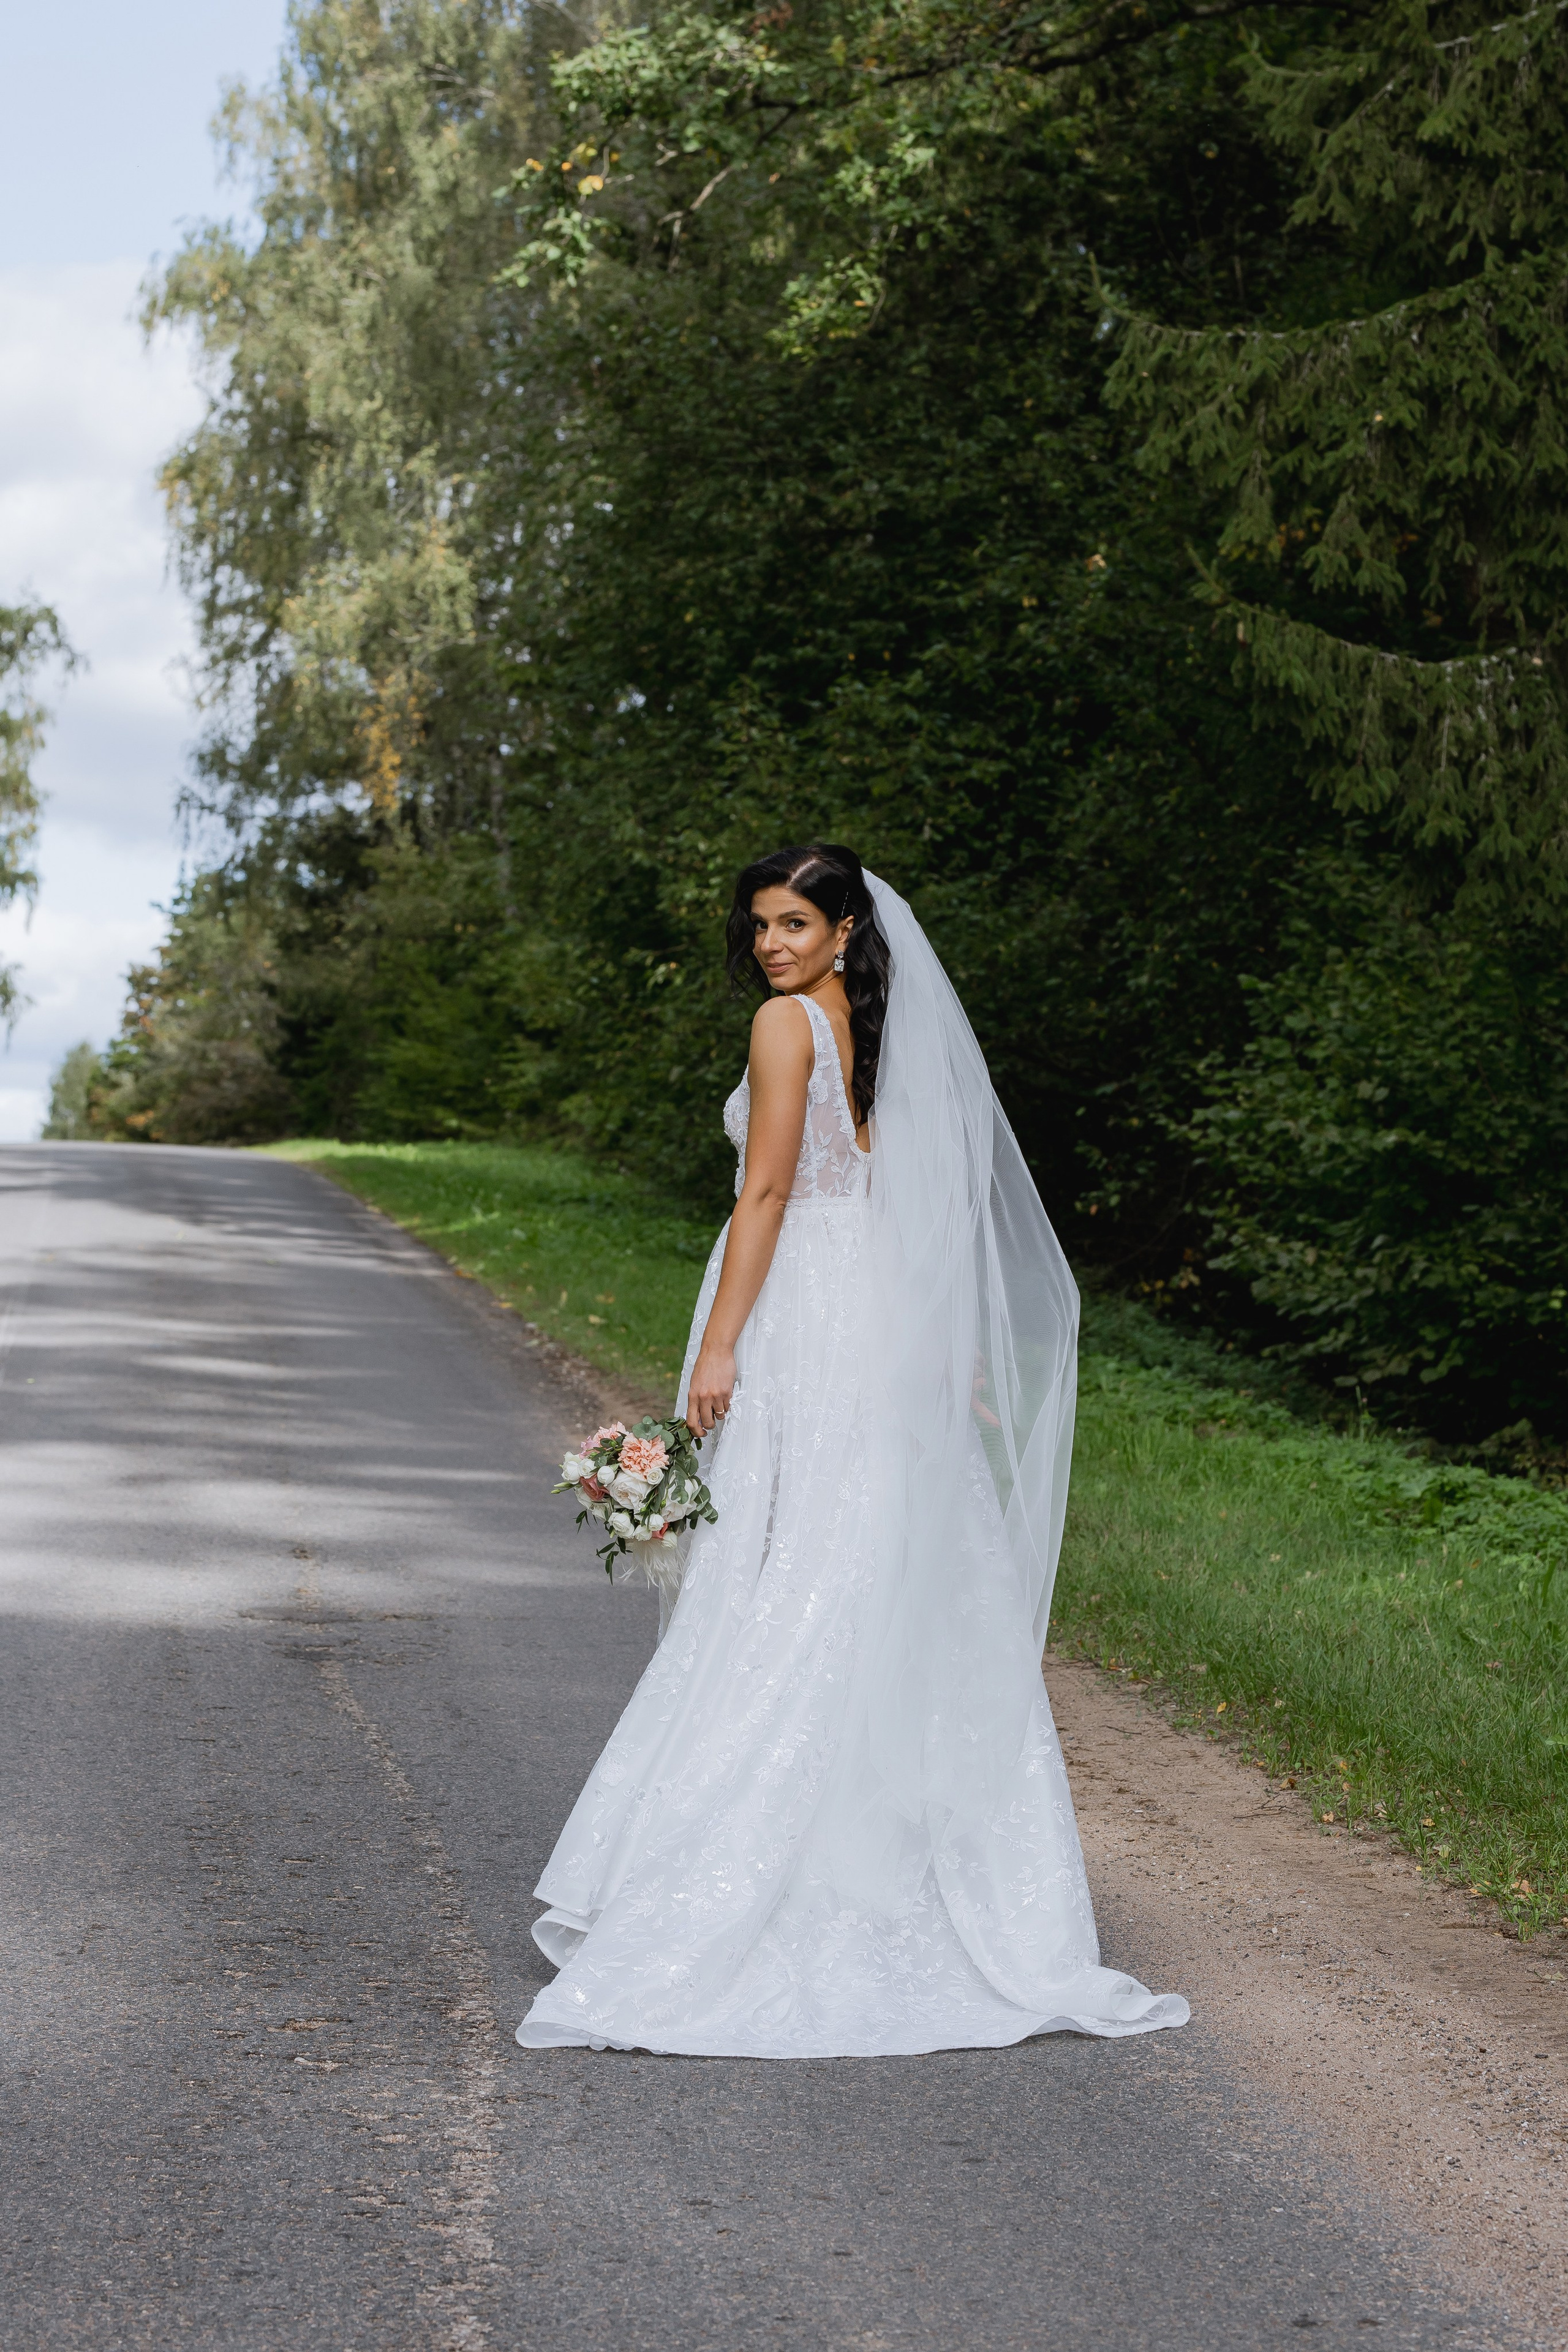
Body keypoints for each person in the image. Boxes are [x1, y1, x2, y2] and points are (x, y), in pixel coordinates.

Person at [515, 846, 1188, 2057]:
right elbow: (919, 1209)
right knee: (873, 1566)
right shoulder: (883, 1043)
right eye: (760, 925)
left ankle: (749, 1869)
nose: (771, 944)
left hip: (808, 1314)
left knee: (795, 1571)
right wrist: (952, 1357)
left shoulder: (786, 1029)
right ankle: (900, 1872)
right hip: (880, 1313)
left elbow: (765, 1195)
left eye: (793, 923)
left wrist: (720, 1345)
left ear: (842, 933)